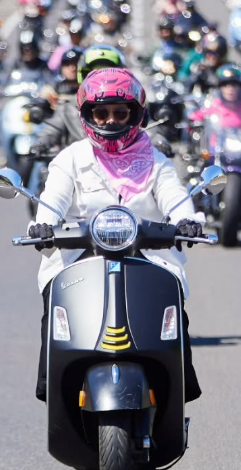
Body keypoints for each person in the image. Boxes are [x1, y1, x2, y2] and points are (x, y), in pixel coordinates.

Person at [27, 68, 205, 403]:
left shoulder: (157, 161)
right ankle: (53, 383)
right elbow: (53, 198)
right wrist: (43, 224)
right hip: (80, 257)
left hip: (147, 257)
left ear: (137, 115)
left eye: (120, 112)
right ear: (87, 116)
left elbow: (175, 197)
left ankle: (176, 384)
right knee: (55, 303)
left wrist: (186, 220)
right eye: (101, 112)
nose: (110, 121)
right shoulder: (70, 159)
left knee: (173, 310)